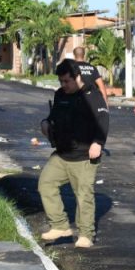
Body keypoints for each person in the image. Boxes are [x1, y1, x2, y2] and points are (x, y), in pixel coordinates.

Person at [37, 58, 109, 249]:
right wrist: (46, 123)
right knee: (45, 183)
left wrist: (98, 143)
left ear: (78, 77)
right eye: (61, 81)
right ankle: (60, 226)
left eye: (67, 81)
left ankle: (86, 234)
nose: (64, 85)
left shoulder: (92, 95)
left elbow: (103, 119)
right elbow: (54, 116)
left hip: (84, 156)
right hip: (62, 154)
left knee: (83, 195)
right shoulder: (60, 94)